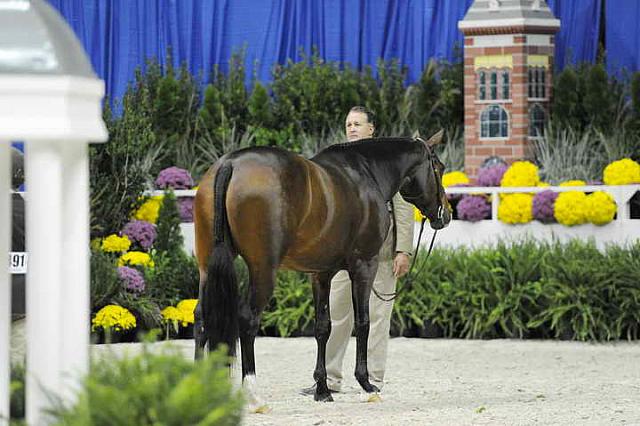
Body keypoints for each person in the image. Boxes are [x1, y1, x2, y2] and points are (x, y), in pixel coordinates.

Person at [302, 106, 415, 394]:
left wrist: (404, 249)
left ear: (371, 129)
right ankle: (328, 379)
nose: (351, 128)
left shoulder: (386, 161)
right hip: (338, 253)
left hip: (381, 251)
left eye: (357, 124)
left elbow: (403, 206)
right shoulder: (336, 160)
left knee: (378, 317)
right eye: (348, 124)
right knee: (337, 314)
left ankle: (374, 379)